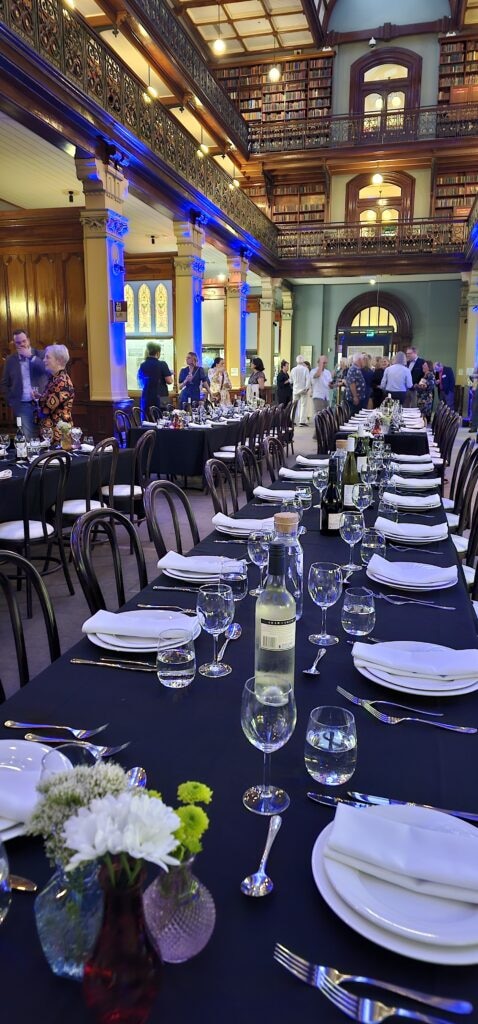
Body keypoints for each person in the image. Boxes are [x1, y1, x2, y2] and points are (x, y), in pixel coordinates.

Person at [1, 328, 47, 439]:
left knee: (46, 435)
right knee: (27, 437)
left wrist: (30, 357)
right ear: (14, 344)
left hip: (43, 403)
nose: (21, 344)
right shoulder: (10, 360)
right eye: (18, 342)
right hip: (22, 405)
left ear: (28, 340)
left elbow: (46, 370)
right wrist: (12, 401)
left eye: (24, 341)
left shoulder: (40, 354)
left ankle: (46, 457)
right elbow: (4, 383)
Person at [35, 344, 75, 442]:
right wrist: (39, 397)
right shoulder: (55, 379)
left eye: (47, 357)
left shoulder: (61, 382)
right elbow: (51, 400)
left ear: (59, 360)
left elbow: (46, 409)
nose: (44, 360)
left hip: (58, 435)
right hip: (50, 434)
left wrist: (37, 401)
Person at [137, 342, 172, 418]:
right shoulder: (162, 364)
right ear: (158, 353)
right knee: (163, 418)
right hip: (162, 396)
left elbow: (140, 381)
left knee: (147, 418)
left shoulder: (143, 365)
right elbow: (169, 381)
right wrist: (170, 374)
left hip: (146, 396)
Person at [290, 354, 310, 424]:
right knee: (303, 405)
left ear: (296, 361)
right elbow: (308, 379)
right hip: (303, 389)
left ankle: (292, 420)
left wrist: (294, 386)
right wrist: (307, 388)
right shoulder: (305, 369)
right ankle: (302, 421)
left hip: (295, 389)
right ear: (303, 361)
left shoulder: (293, 370)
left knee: (294, 405)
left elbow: (291, 380)